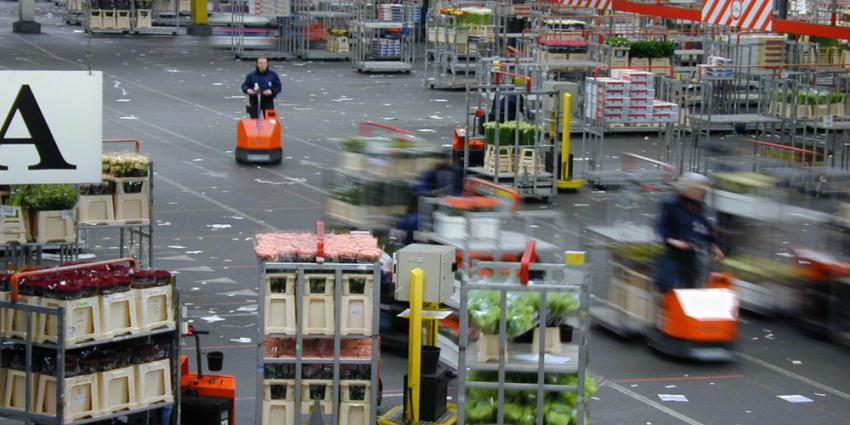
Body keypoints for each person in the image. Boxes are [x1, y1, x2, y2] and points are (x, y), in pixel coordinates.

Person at [655, 173, 725, 292]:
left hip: (690, 253)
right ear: (687, 188)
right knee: (667, 285)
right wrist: (673, 241)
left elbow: (704, 227)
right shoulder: (671, 205)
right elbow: (660, 227)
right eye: (697, 189)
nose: (701, 192)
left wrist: (713, 244)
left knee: (690, 286)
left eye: (702, 190)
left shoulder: (698, 206)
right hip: (672, 253)